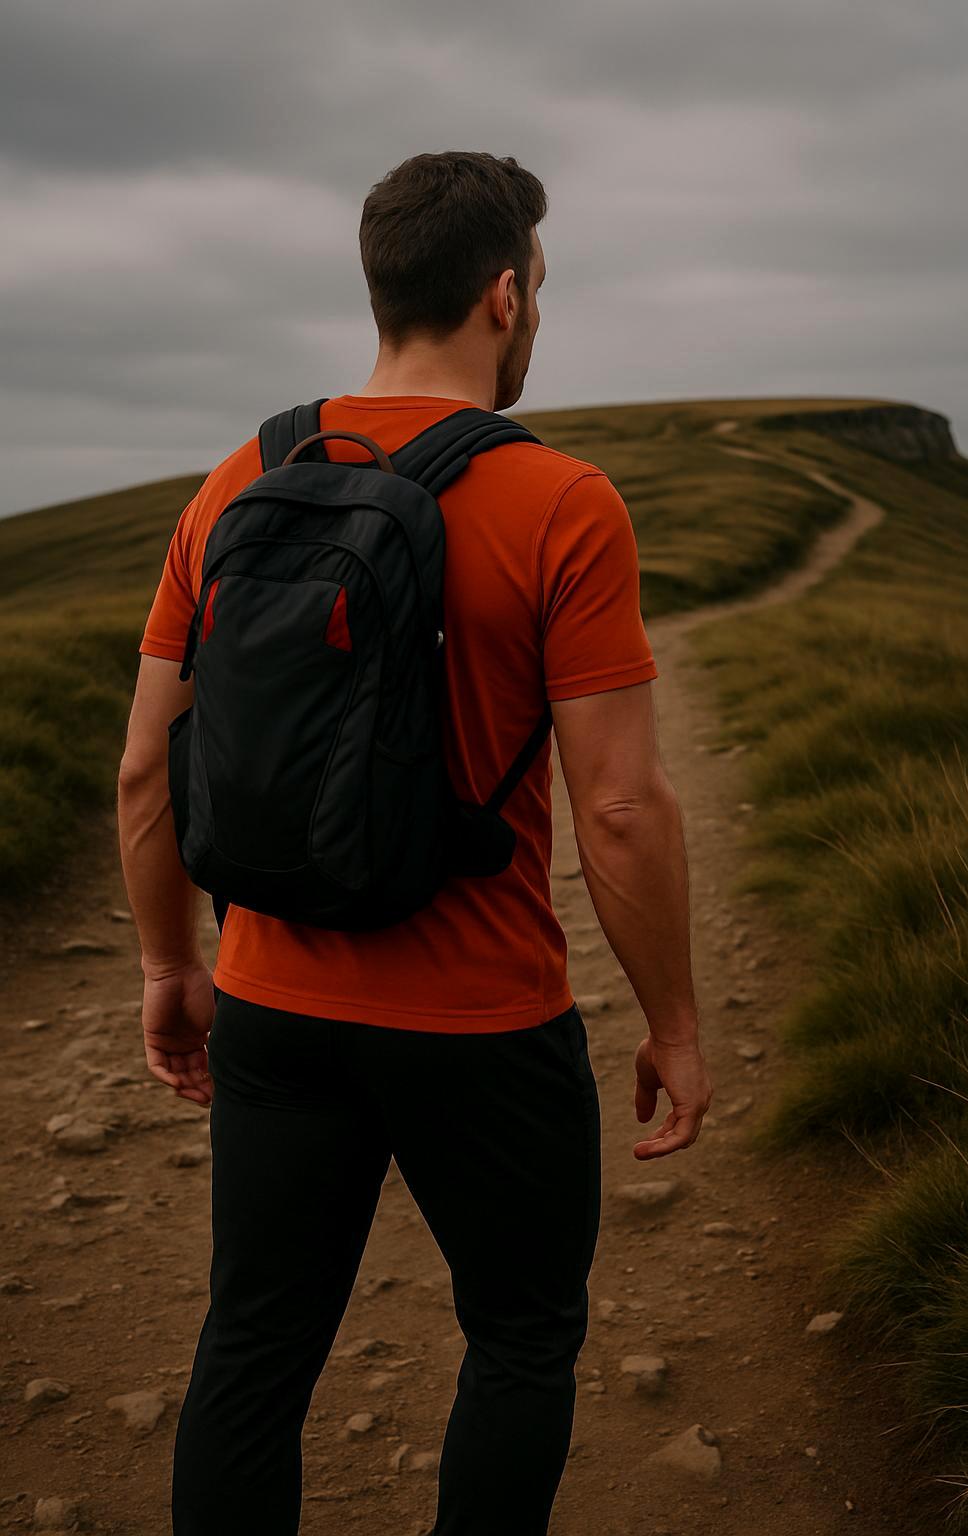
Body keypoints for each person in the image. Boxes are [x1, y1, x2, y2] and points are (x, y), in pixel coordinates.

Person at [117, 149, 712, 1536]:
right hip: (485, 1027)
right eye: (541, 291)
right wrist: (676, 1020)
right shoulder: (563, 501)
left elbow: (148, 766)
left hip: (273, 1005)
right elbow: (621, 810)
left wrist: (167, 969)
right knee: (516, 1339)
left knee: (255, 1349)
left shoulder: (235, 481)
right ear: (503, 296)